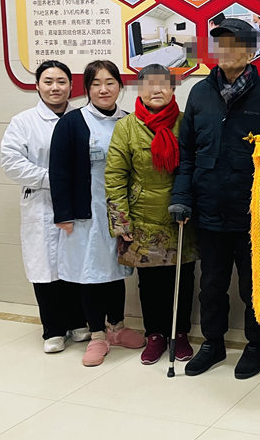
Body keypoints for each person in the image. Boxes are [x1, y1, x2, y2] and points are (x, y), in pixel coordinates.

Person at [169, 18, 260, 379]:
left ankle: (257, 345)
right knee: (211, 285)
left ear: (251, 51)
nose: (226, 52)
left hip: (252, 210)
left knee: (253, 285)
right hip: (208, 208)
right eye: (220, 44)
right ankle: (212, 343)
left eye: (234, 44)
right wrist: (182, 196)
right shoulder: (199, 93)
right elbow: (187, 152)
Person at [49, 60, 145, 367]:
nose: (103, 89)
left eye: (110, 82)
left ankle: (117, 327)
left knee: (116, 271)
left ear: (120, 86)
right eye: (96, 84)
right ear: (87, 88)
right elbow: (59, 172)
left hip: (120, 213)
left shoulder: (129, 121)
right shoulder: (72, 122)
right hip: (85, 214)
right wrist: (63, 214)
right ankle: (97, 335)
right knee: (91, 274)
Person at [105, 64, 198, 365]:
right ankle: (155, 334)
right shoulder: (126, 127)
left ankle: (180, 334)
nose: (155, 90)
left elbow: (195, 168)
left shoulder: (186, 122)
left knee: (183, 280)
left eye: (163, 84)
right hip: (142, 219)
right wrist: (121, 223)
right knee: (150, 282)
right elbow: (115, 176)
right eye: (148, 84)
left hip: (181, 217)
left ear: (172, 89)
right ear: (139, 89)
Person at [0, 60, 90, 353]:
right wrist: (53, 179)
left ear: (71, 86)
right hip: (41, 203)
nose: (55, 88)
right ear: (37, 85)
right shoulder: (23, 122)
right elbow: (11, 162)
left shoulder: (82, 118)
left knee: (74, 263)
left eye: (61, 81)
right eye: (48, 81)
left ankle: (78, 322)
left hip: (76, 203)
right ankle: (53, 329)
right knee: (45, 267)